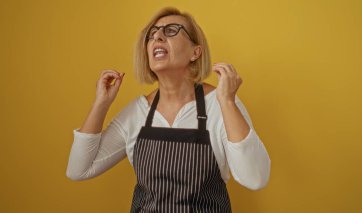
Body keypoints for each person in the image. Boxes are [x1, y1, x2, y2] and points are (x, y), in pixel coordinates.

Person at [66, 7, 271, 212]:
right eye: (152, 34)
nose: (158, 36)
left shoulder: (220, 104)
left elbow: (255, 178)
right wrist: (101, 103)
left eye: (171, 30)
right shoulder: (138, 113)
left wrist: (227, 102)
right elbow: (79, 170)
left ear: (195, 52)